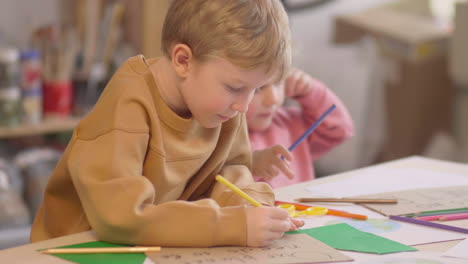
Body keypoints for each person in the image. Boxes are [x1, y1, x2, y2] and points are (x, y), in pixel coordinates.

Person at [30, 0, 303, 247]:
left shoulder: (225, 105)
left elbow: (231, 171)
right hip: (77, 249)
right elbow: (120, 218)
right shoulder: (128, 105)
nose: (244, 106)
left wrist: (252, 211)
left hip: (154, 241)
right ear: (183, 60)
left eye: (256, 89)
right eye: (235, 87)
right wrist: (232, 225)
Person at [247, 69, 354, 188]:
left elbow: (340, 130)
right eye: (257, 88)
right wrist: (250, 165)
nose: (273, 99)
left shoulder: (288, 122)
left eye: (279, 82)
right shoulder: (224, 135)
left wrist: (310, 91)